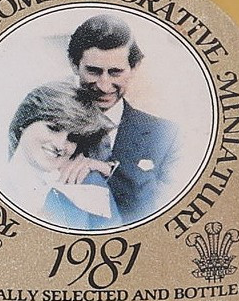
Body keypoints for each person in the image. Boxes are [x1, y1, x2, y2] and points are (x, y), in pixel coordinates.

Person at [64, 14, 179, 222]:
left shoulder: (167, 135)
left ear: (134, 68)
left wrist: (107, 171)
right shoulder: (50, 129)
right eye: (93, 71)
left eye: (115, 72)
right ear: (74, 64)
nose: (104, 85)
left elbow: (170, 212)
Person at [5, 82, 119, 229]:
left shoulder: (88, 183)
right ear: (24, 122)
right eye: (54, 128)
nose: (60, 145)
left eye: (73, 138)